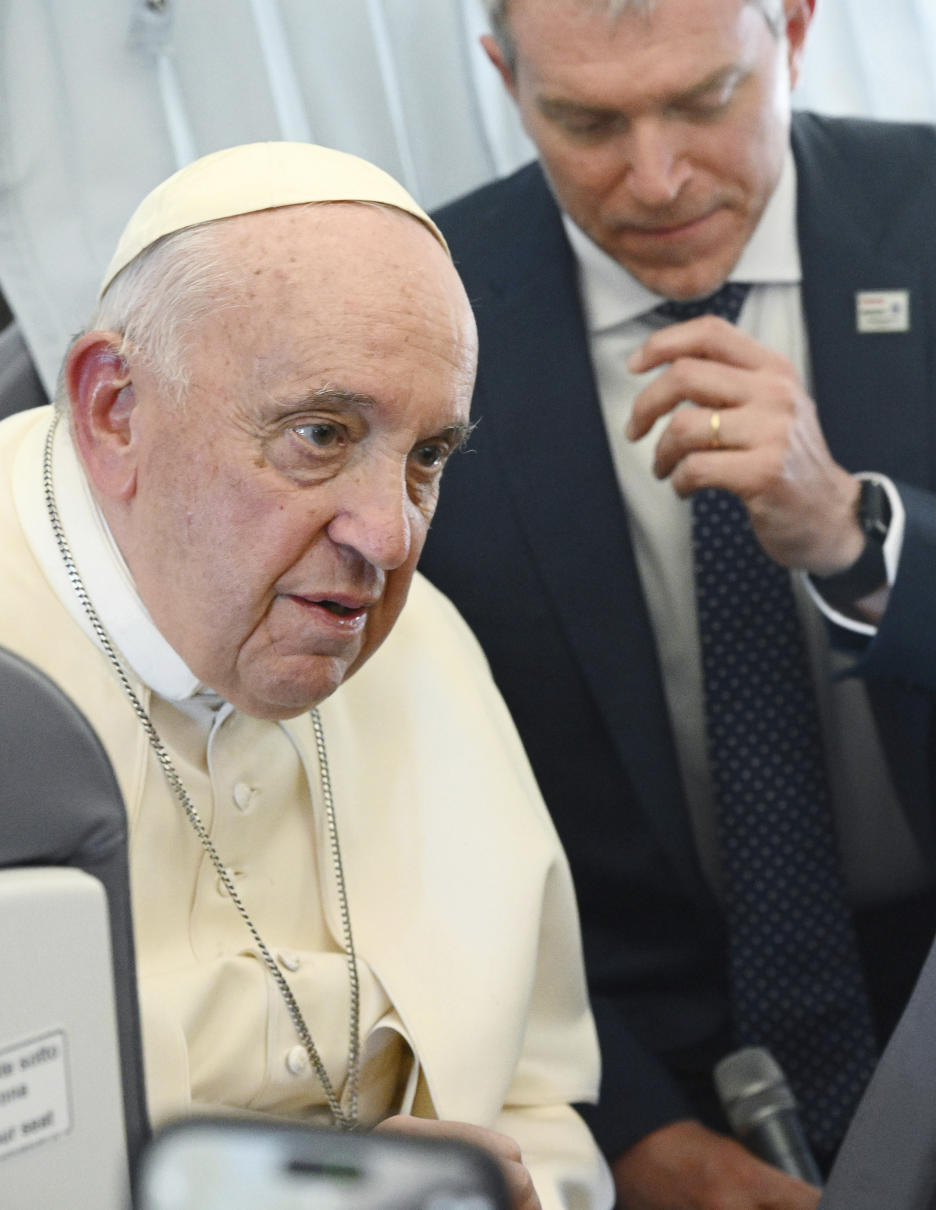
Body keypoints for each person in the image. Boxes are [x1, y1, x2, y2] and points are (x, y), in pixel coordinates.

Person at [0, 141, 614, 1210]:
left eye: (428, 459)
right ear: (114, 408)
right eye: (322, 434)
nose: (391, 536)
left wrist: (512, 1194)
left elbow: (541, 1102)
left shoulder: (425, 646)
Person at [418, 1, 936, 1207]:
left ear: (796, 31)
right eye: (587, 121)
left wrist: (859, 534)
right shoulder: (429, 312)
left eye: (706, 101)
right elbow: (401, 793)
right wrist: (624, 1123)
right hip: (623, 1061)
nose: (655, 179)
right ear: (503, 77)